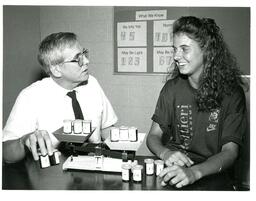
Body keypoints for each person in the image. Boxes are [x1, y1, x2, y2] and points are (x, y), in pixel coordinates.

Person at [146, 16, 247, 189]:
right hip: (175, 170)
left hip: (211, 172)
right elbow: (153, 136)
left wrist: (194, 172)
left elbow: (230, 152)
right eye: (175, 49)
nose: (176, 56)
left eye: (184, 49)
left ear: (206, 50)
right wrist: (165, 153)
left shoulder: (232, 94)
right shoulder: (172, 88)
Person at [3, 32, 118, 163]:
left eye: (84, 54)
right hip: (53, 175)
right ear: (56, 69)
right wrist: (24, 141)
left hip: (95, 170)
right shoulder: (30, 96)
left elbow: (106, 128)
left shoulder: (92, 84)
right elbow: (6, 154)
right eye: (78, 58)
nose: (87, 61)